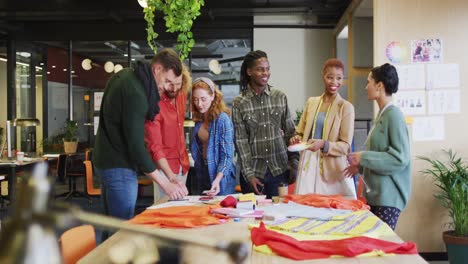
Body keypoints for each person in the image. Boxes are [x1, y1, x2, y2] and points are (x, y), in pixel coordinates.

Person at [93, 48, 188, 222]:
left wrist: (172, 177)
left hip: (104, 161)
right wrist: (166, 184)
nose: (167, 88)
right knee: (123, 226)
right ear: (157, 69)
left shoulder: (127, 75)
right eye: (167, 81)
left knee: (111, 224)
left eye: (174, 84)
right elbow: (137, 147)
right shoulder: (137, 93)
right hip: (119, 166)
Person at [344, 63, 411, 230]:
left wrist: (363, 157)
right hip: (377, 197)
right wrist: (360, 166)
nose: (366, 87)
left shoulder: (393, 115)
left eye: (369, 82)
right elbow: (379, 155)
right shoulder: (382, 115)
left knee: (382, 249)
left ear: (379, 86)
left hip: (388, 199)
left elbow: (399, 158)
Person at [232, 50, 296, 199]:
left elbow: (290, 133)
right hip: (254, 174)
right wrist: (249, 175)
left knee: (279, 217)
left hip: (279, 171)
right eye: (260, 69)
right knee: (252, 219)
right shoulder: (239, 103)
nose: (265, 73)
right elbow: (241, 143)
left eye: (267, 69)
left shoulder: (279, 97)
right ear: (249, 71)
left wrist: (294, 163)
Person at [290, 58, 356, 198]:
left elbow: (345, 146)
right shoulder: (311, 102)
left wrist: (324, 145)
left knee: (333, 212)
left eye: (339, 78)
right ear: (323, 76)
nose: (334, 82)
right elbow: (300, 133)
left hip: (332, 168)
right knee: (305, 206)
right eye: (330, 77)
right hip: (308, 163)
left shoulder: (346, 107)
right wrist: (297, 138)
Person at [144, 60, 191, 203]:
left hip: (183, 163)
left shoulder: (181, 94)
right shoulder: (154, 102)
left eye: (178, 84)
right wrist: (170, 176)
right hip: (164, 169)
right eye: (171, 84)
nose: (174, 89)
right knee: (164, 212)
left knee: (181, 210)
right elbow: (154, 146)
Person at [190, 77, 236, 195]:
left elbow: (227, 156)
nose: (199, 104)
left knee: (219, 209)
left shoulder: (222, 120)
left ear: (212, 96)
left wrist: (217, 179)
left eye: (203, 99)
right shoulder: (199, 120)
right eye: (195, 99)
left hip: (221, 174)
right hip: (203, 172)